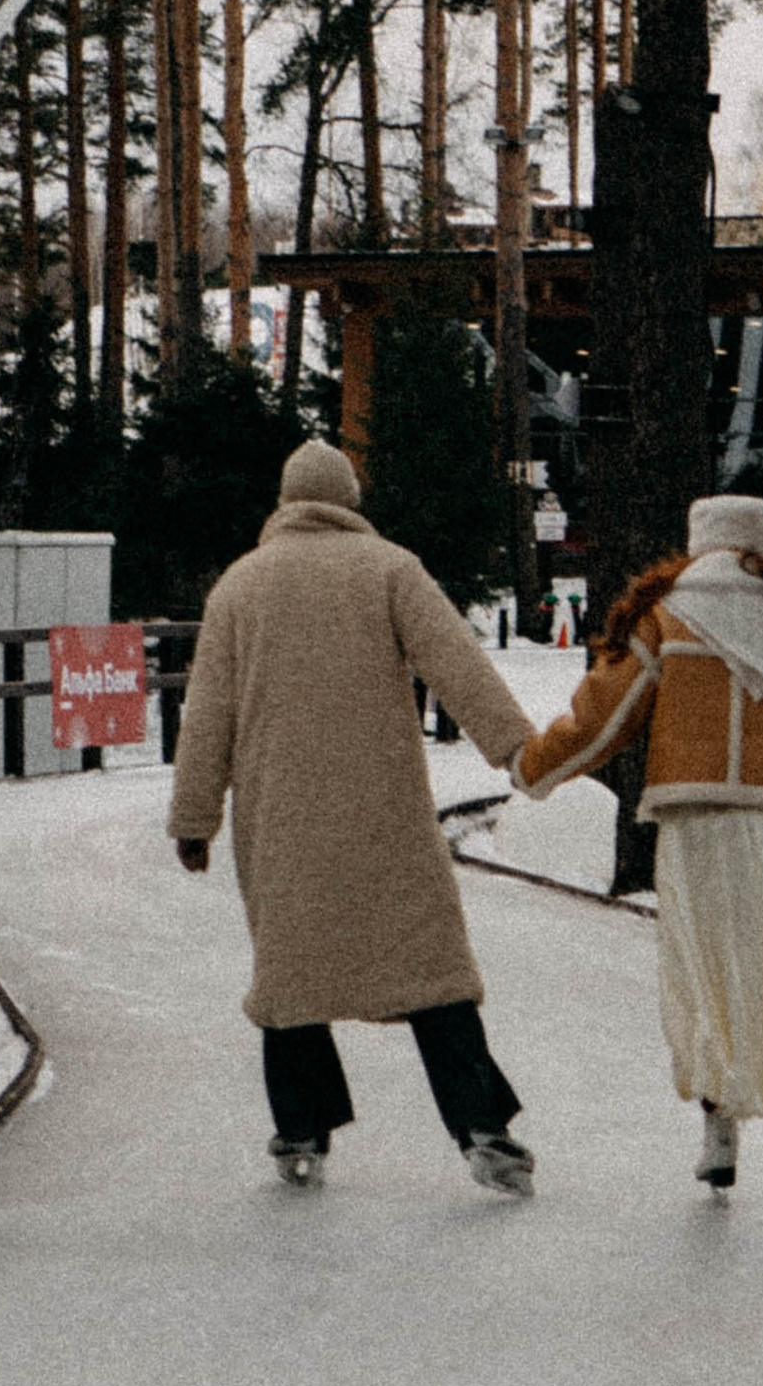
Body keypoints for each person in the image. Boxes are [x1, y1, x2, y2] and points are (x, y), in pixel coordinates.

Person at [510, 492, 763, 1210]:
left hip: (695, 825)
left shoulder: (665, 617)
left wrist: (534, 769)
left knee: (707, 980)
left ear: (698, 540)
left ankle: (719, 1138)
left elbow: (602, 720)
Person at [168, 438, 539, 1197]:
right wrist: (516, 750)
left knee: (292, 978)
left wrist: (194, 820)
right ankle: (483, 1129)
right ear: (348, 502)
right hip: (387, 817)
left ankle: (301, 1131)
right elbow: (457, 663)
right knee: (431, 971)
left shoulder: (240, 586)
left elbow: (207, 715)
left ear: (285, 501)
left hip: (280, 821)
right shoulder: (390, 569)